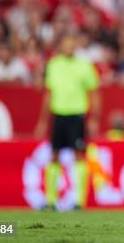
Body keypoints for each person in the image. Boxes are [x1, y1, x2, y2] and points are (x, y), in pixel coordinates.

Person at [34, 33, 101, 210]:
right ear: (61, 46)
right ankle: (51, 201)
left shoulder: (85, 66)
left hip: (77, 116)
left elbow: (94, 93)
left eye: (72, 42)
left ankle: (79, 202)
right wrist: (42, 121)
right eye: (66, 42)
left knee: (79, 156)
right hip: (59, 115)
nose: (69, 46)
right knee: (54, 155)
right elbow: (48, 94)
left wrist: (94, 118)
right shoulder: (53, 65)